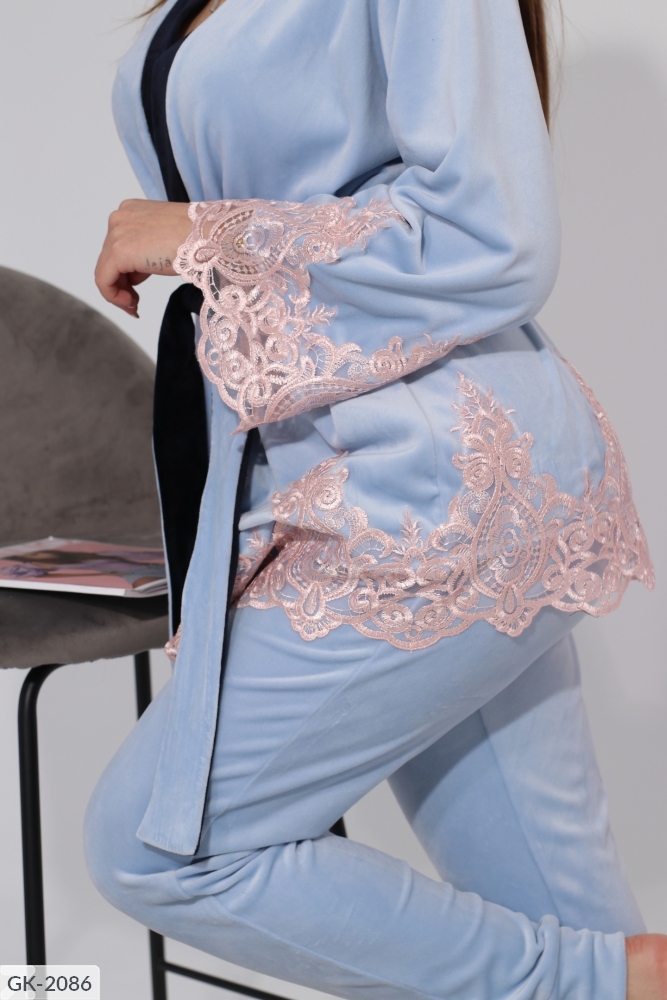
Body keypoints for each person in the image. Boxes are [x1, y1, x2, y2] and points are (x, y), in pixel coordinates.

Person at [84, 1, 665, 996]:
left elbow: (494, 231)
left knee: (159, 847)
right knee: (566, 915)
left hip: (430, 491)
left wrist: (204, 232)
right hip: (329, 480)